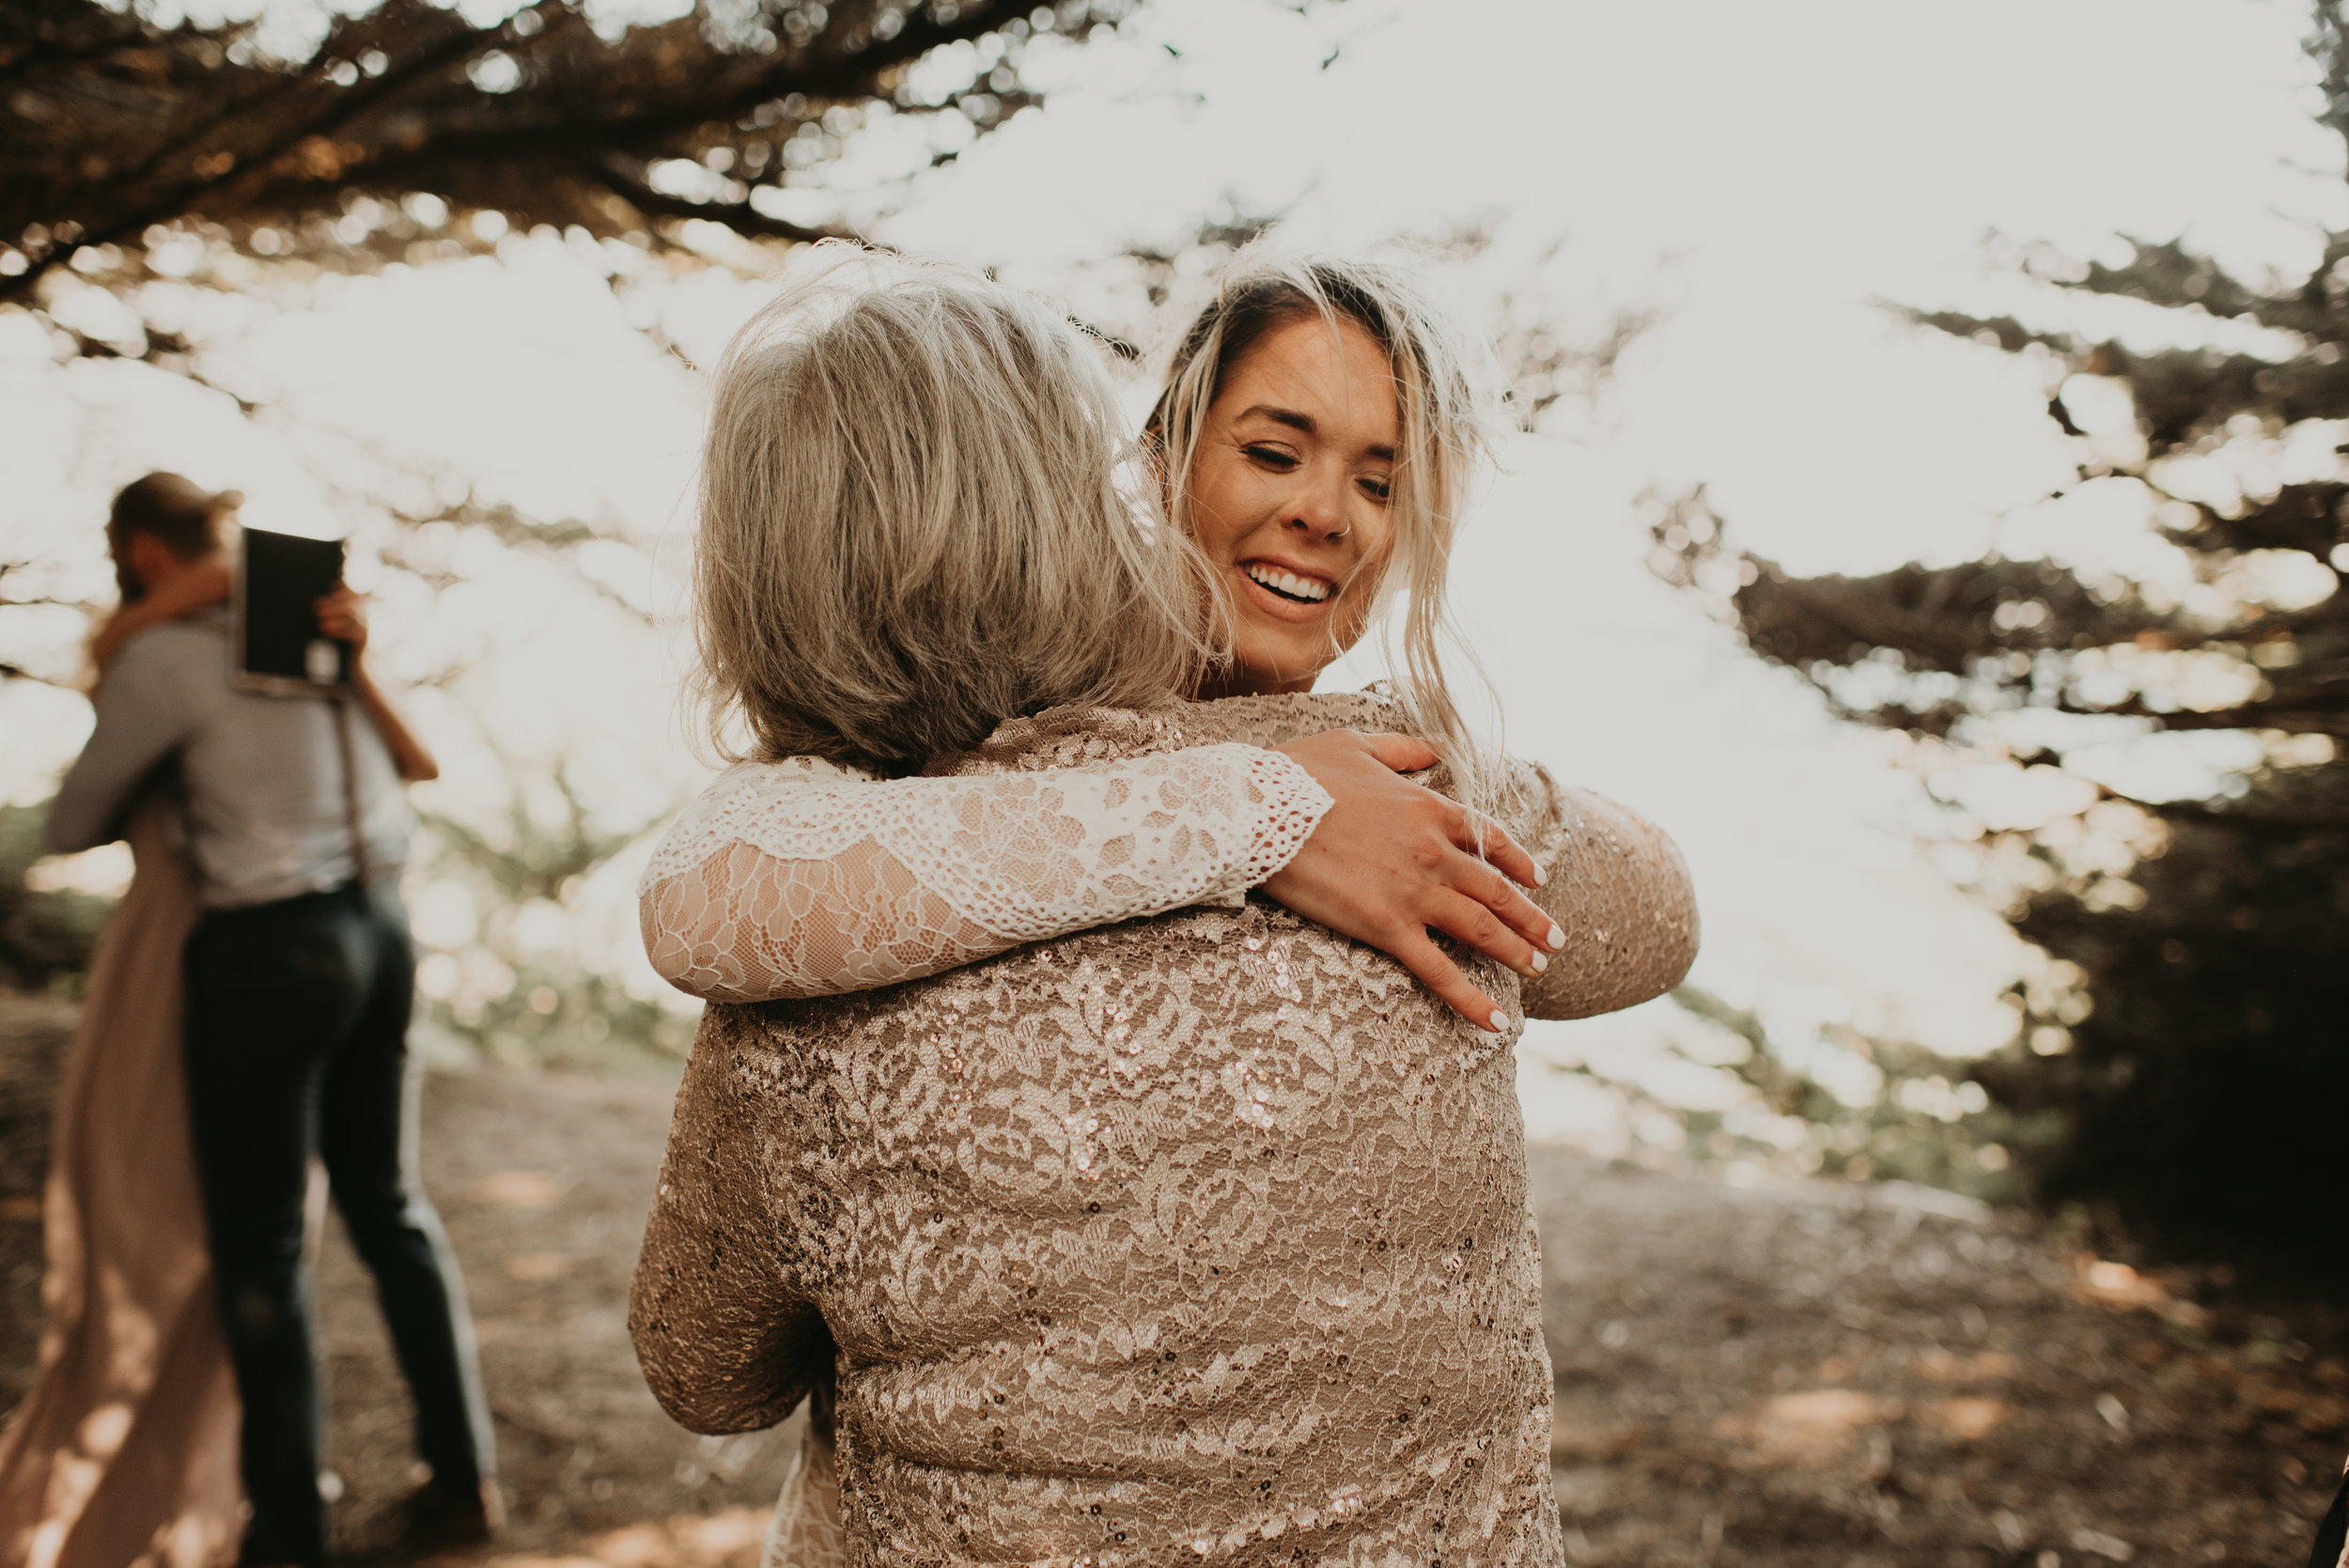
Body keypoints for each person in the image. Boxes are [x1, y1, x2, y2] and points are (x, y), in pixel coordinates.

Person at [628, 250, 1698, 1564]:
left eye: (1383, 480)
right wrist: (1251, 812)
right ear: (1140, 468)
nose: (1331, 514)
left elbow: (707, 1372)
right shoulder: (1398, 797)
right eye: (1275, 451)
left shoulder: (821, 945)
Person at [29, 474, 497, 1565]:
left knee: (264, 1251)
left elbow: (71, 819)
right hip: (384, 931)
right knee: (391, 1206)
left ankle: (289, 1526)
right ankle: (463, 1479)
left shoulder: (162, 658)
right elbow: (412, 767)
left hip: (271, 950)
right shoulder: (307, 637)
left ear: (140, 552)